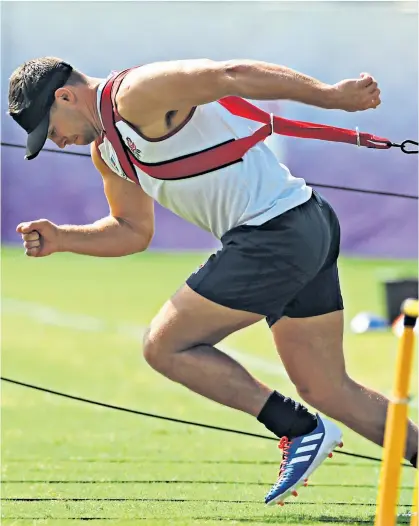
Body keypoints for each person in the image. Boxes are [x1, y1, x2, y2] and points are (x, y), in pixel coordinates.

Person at [8, 56, 417, 506]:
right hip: (302, 225)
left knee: (164, 345)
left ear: (64, 97)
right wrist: (63, 238)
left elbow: (230, 75)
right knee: (326, 387)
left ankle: (297, 428)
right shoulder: (107, 150)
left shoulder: (133, 94)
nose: (57, 143)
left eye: (50, 130)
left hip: (275, 234)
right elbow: (132, 231)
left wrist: (332, 97)